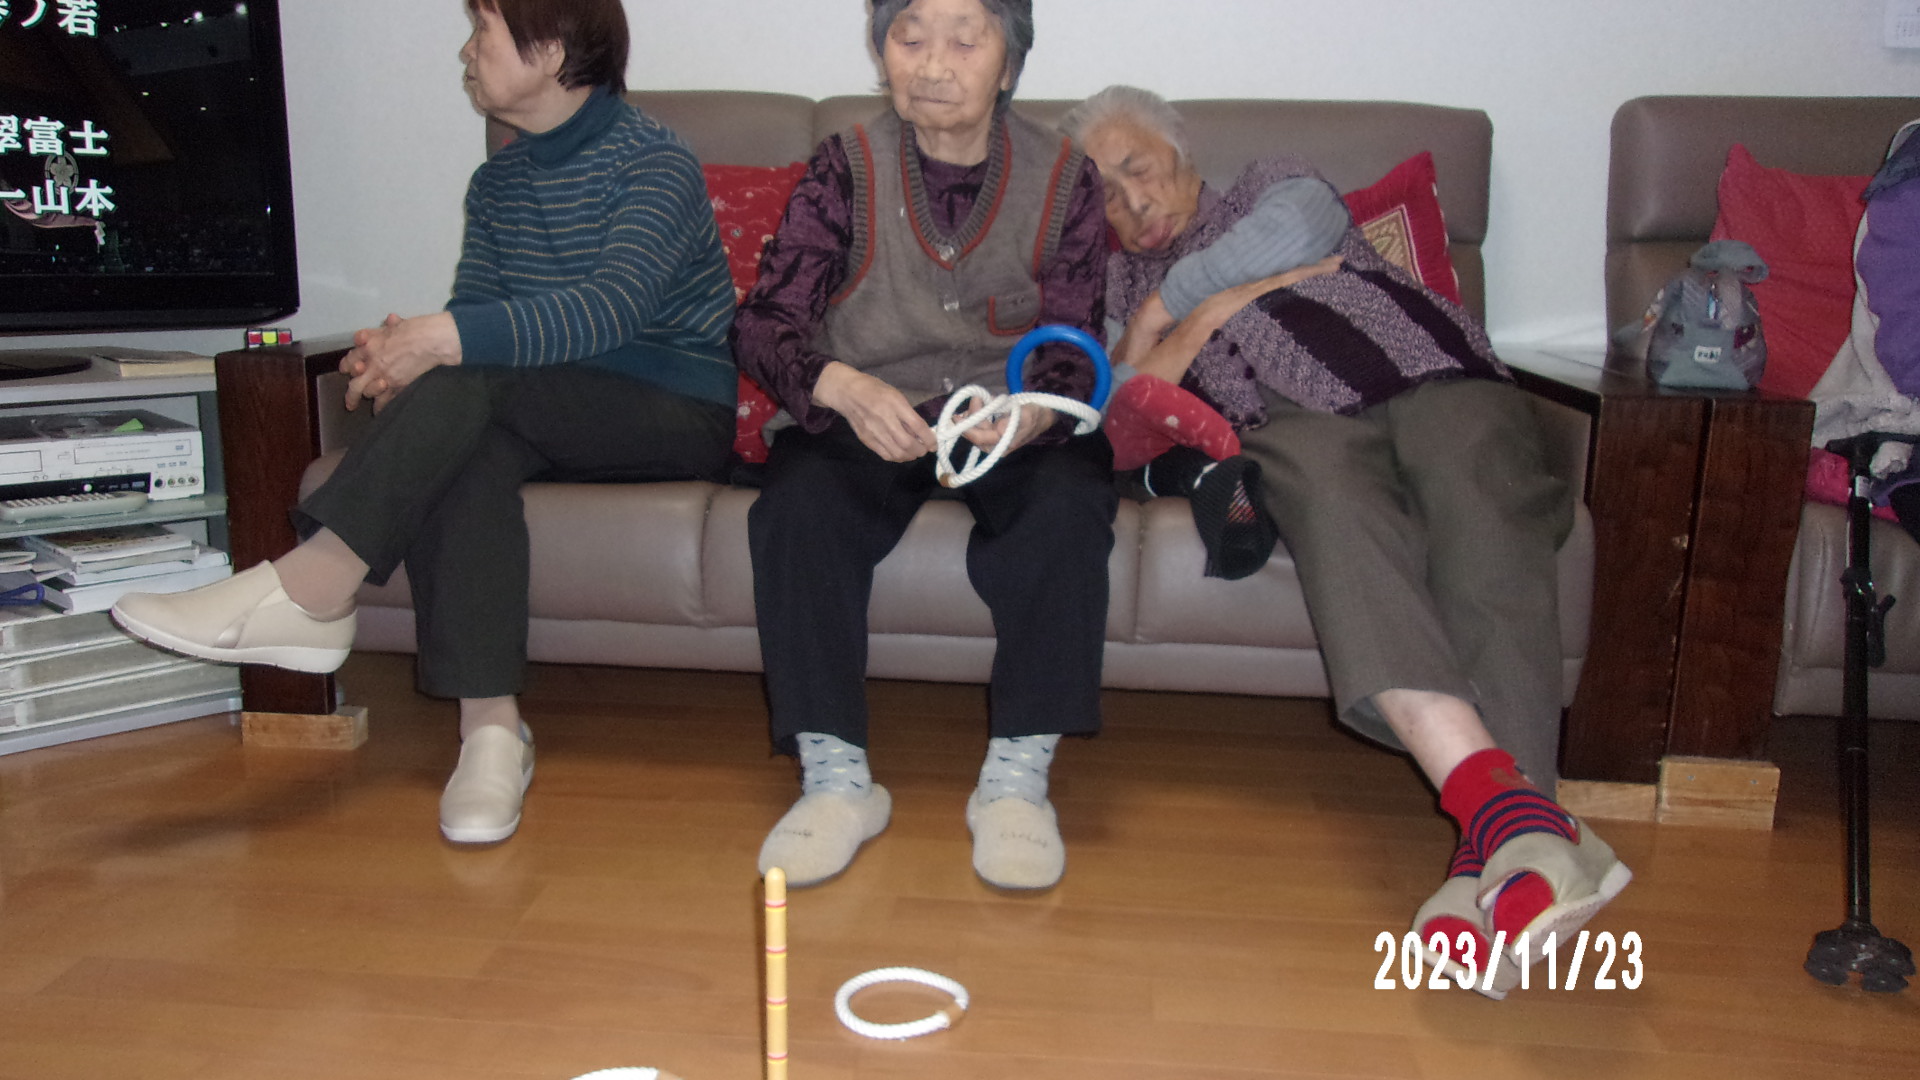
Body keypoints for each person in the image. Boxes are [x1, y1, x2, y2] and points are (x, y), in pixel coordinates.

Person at [111, 0, 738, 846]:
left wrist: (435, 344)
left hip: (670, 406)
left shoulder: (653, 159)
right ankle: (491, 731)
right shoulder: (500, 183)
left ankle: (314, 586)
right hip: (538, 407)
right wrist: (397, 361)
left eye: (484, 33)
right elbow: (476, 317)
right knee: (467, 439)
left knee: (462, 377)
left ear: (552, 50)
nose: (466, 52)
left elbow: (609, 310)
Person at [1061, 85, 1629, 993]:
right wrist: (1191, 316)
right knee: (1334, 516)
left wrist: (1175, 304)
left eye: (1140, 171)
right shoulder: (1110, 290)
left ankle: (1495, 850)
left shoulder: (1268, 184)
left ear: (1181, 152)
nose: (1134, 206)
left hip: (1426, 369)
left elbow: (1301, 227)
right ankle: (1519, 839)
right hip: (1291, 427)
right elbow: (1119, 403)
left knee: (1479, 504)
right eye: (1109, 200)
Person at [732, 0, 1112, 891]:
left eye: (964, 40)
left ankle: (1016, 782)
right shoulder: (844, 166)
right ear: (882, 53)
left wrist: (1035, 413)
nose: (933, 64)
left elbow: (1074, 342)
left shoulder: (1067, 177)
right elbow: (764, 322)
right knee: (798, 507)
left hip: (1004, 414)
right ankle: (836, 780)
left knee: (1067, 503)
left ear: (1009, 65)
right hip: (872, 409)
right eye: (909, 38)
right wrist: (840, 384)